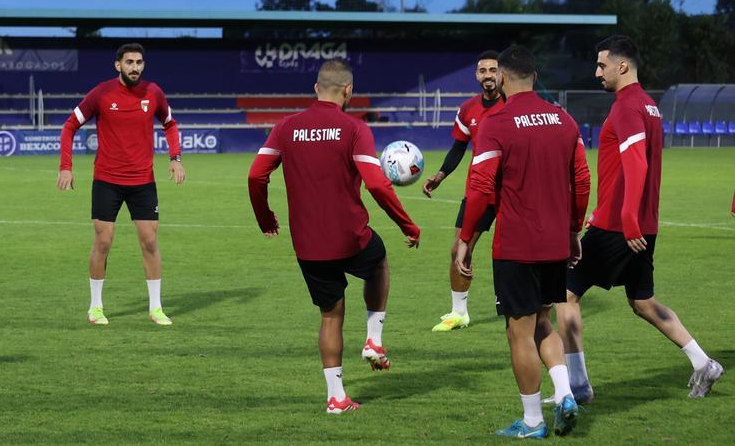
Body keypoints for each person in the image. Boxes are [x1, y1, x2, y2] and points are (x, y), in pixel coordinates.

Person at [247, 59, 421, 415]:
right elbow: (377, 185)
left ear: (316, 88)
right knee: (379, 262)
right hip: (350, 236)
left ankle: (336, 398)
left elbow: (255, 176)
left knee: (330, 315)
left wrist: (265, 218)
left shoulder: (286, 127)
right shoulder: (354, 128)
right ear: (348, 91)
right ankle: (374, 339)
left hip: (308, 244)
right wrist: (407, 225)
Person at [556, 35, 723, 400]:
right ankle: (703, 363)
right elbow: (627, 169)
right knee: (642, 302)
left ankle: (577, 386)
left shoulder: (627, 107)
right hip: (639, 224)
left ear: (622, 65)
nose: (597, 72)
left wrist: (626, 218)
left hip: (621, 226)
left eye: (602, 65)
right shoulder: (648, 105)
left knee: (565, 294)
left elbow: (637, 164)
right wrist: (613, 211)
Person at [453, 45, 590, 438]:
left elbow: (480, 188)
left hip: (517, 246)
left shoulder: (496, 122)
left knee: (519, 331)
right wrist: (573, 230)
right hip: (555, 245)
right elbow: (582, 180)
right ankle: (564, 393)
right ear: (535, 76)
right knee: (543, 321)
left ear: (503, 77)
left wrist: (466, 238)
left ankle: (532, 422)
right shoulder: (564, 119)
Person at [57, 43, 184, 326]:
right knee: (103, 241)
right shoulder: (101, 93)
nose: (134, 67)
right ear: (118, 65)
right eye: (129, 62)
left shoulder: (154, 92)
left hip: (143, 181)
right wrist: (66, 167)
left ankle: (155, 308)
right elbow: (69, 126)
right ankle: (95, 307)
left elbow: (170, 124)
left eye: (139, 62)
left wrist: (175, 158)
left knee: (150, 241)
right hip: (107, 181)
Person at [423, 51, 505, 331]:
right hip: (479, 191)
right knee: (459, 247)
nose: (488, 76)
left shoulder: (512, 106)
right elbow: (459, 147)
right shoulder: (468, 109)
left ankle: (518, 301)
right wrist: (440, 175)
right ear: (476, 75)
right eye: (483, 71)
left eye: (493, 70)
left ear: (502, 74)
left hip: (512, 192)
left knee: (516, 250)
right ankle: (459, 313)